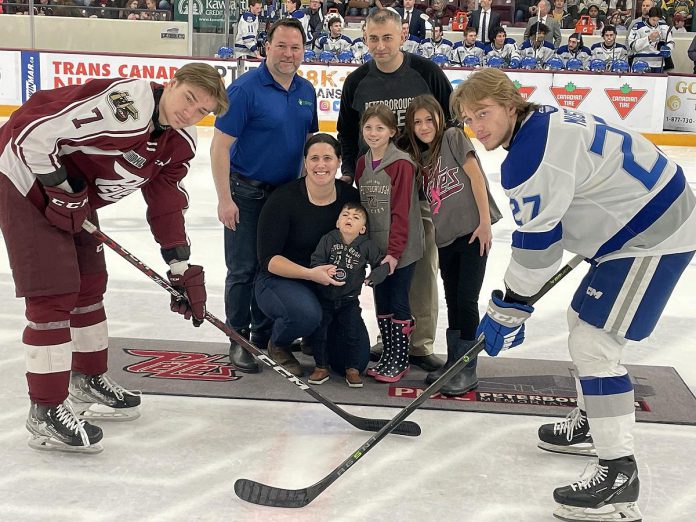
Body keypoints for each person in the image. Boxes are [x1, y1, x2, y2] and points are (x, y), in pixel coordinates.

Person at [453, 67, 696, 522]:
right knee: (579, 323)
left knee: (594, 345)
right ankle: (591, 424)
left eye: (483, 113)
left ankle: (618, 476)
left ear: (511, 105)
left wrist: (506, 310)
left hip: (654, 235)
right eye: (469, 119)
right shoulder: (544, 122)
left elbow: (538, 254)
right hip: (639, 221)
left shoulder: (528, 156)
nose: (477, 127)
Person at [0, 63, 228, 454]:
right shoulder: (126, 106)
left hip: (70, 193)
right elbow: (32, 135)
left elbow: (166, 204)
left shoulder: (177, 143)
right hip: (21, 176)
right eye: (188, 99)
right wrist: (59, 187)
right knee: (53, 292)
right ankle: (46, 409)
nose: (189, 114)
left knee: (90, 284)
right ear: (171, 83)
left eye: (201, 111)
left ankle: (87, 379)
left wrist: (180, 266)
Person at [337, 8, 453, 373]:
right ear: (365, 38)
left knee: (418, 266)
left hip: (420, 189)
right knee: (383, 264)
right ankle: (392, 340)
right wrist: (350, 177)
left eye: (387, 37)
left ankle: (419, 344)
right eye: (373, 38)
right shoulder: (357, 81)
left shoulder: (426, 73)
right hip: (374, 189)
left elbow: (449, 126)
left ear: (402, 36)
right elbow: (347, 133)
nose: (380, 45)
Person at [211, 18, 318, 374]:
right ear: (266, 48)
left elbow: (308, 145)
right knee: (242, 269)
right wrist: (225, 199)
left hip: (285, 197)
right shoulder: (244, 90)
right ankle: (238, 340)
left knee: (271, 269)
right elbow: (219, 148)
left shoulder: (306, 90)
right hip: (246, 193)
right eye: (282, 46)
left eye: (296, 47)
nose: (289, 54)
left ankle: (265, 337)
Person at [399, 95, 501, 396]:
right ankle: (455, 363)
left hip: (471, 232)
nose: (424, 126)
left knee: (467, 300)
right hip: (445, 238)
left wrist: (484, 223)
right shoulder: (424, 158)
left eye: (428, 119)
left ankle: (468, 369)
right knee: (453, 300)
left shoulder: (454, 137)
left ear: (439, 118)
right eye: (417, 122)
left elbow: (476, 178)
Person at [255, 134, 362, 378]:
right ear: (305, 162)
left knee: (352, 359)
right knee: (305, 314)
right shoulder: (283, 199)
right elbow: (268, 259)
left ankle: (313, 337)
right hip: (281, 279)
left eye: (327, 158)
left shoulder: (350, 198)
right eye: (314, 158)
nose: (320, 165)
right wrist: (310, 274)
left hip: (327, 284)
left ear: (338, 162)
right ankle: (279, 343)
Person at [356, 105, 424, 383]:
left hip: (401, 248)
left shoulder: (401, 164)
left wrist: (394, 254)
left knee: (398, 300)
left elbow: (401, 212)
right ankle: (387, 354)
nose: (373, 134)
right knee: (381, 300)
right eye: (369, 127)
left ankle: (400, 360)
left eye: (380, 128)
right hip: (376, 246)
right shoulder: (362, 163)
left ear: (392, 132)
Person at [308, 202, 387, 387]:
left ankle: (352, 369)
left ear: (363, 229)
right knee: (321, 333)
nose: (349, 218)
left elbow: (382, 264)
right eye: (345, 215)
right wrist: (322, 271)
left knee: (351, 333)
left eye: (355, 217)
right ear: (337, 222)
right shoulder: (328, 239)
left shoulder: (366, 245)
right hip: (325, 298)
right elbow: (316, 261)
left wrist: (373, 278)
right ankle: (321, 366)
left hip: (349, 301)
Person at [627, 5, 674, 72]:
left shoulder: (664, 27)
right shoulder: (637, 27)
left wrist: (668, 48)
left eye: (657, 20)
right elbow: (633, 46)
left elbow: (671, 42)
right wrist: (648, 38)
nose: (655, 22)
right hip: (641, 62)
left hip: (659, 63)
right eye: (653, 20)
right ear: (648, 16)